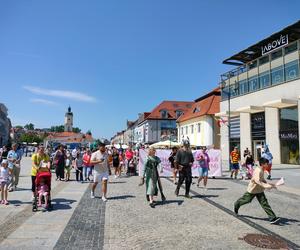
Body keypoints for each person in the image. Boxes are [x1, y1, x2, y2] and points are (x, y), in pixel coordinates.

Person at [234, 157, 280, 224]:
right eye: (267, 164)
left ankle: (272, 217)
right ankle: (237, 204)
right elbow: (257, 181)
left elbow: (262, 179)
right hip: (253, 190)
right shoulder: (258, 170)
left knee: (264, 203)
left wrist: (269, 184)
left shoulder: (262, 169)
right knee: (246, 200)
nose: (268, 165)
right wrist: (266, 186)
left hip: (260, 190)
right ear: (262, 164)